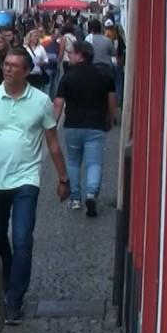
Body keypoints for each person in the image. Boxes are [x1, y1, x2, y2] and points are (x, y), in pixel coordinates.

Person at [0, 46, 69, 325]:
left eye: (14, 65)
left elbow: (52, 143)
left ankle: (14, 298)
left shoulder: (40, 102)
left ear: (27, 71)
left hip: (27, 178)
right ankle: (9, 275)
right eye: (6, 64)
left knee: (23, 238)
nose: (8, 69)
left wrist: (63, 178)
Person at [54, 41, 117, 216]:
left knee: (73, 161)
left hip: (73, 124)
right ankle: (91, 193)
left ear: (80, 54)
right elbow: (112, 100)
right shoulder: (104, 75)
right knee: (94, 162)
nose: (69, 56)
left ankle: (75, 199)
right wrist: (110, 118)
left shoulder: (67, 77)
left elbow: (58, 103)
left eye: (71, 53)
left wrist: (52, 125)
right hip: (95, 124)